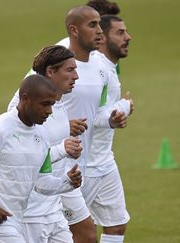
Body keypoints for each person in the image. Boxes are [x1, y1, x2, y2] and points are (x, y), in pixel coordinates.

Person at [0, 74, 82, 243]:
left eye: (52, 104)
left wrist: (67, 182)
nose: (49, 111)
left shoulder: (42, 135)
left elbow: (41, 183)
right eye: (44, 104)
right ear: (25, 99)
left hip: (18, 222)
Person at [59, 6, 128, 243]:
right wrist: (63, 126)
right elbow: (24, 105)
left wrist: (110, 119)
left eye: (100, 24)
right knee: (81, 233)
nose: (100, 31)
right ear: (74, 30)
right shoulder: (56, 61)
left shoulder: (101, 67)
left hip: (89, 163)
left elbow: (96, 113)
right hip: (59, 166)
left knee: (114, 226)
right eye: (93, 25)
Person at [7, 45, 82, 243]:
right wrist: (62, 149)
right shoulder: (28, 110)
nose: (76, 76)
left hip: (53, 207)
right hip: (31, 214)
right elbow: (24, 156)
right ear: (50, 71)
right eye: (70, 70)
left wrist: (67, 170)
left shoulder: (57, 101)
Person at [82, 15, 133, 243]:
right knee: (81, 233)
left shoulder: (110, 68)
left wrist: (119, 109)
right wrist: (124, 106)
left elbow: (103, 111)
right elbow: (90, 116)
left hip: (105, 161)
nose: (128, 37)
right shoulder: (95, 71)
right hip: (85, 167)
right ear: (102, 38)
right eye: (120, 33)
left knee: (116, 224)